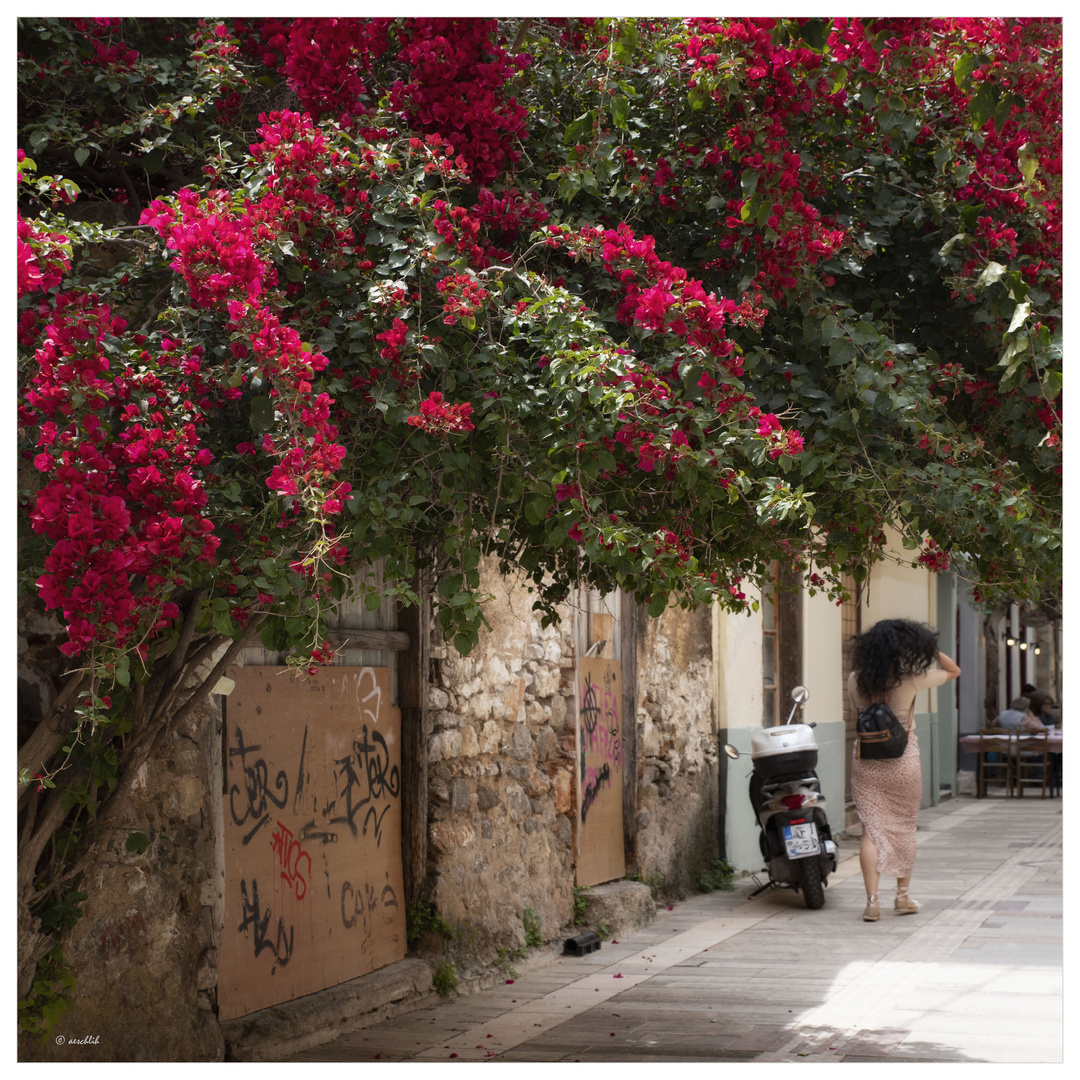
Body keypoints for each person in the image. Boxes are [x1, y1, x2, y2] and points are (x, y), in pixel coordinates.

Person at [849, 619, 961, 922]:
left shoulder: (855, 678)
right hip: (903, 758)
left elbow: (858, 713)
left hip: (866, 757)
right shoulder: (911, 678)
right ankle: (902, 897)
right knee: (902, 826)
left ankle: (872, 902)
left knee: (870, 832)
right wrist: (933, 650)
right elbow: (954, 672)